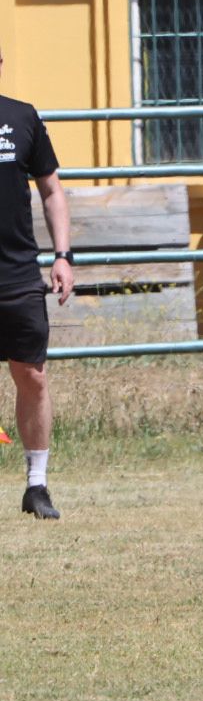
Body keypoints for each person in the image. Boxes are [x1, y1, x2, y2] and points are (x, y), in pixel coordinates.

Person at [1, 43, 73, 520]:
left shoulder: (22, 118)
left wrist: (63, 255)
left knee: (32, 376)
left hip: (15, 272)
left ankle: (37, 485)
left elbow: (51, 190)